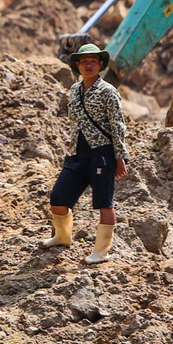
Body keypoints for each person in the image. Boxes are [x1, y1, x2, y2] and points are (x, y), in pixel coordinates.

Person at [40, 43, 128, 264]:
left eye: (93, 61)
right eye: (84, 61)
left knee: (103, 202)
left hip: (101, 153)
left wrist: (120, 157)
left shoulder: (108, 91)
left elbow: (118, 125)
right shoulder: (74, 90)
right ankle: (62, 237)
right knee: (58, 198)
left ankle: (101, 251)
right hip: (76, 153)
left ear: (100, 64)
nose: (88, 65)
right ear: (77, 64)